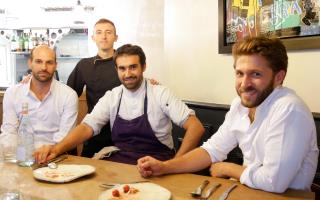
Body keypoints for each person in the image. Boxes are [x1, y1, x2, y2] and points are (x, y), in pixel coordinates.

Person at [137, 36, 319, 193]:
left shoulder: (289, 109)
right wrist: (164, 167)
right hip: (248, 192)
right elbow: (212, 150)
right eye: (240, 73)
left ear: (278, 77)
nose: (244, 83)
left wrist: (228, 168)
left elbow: (274, 182)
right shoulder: (239, 106)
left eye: (255, 74)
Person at [34, 44, 205, 165]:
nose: (128, 73)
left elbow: (196, 128)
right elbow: (87, 127)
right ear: (116, 70)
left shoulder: (160, 93)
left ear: (143, 67)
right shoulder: (112, 97)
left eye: (133, 67)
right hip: (121, 162)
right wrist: (56, 149)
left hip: (158, 162)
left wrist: (174, 165)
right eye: (122, 68)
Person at [0, 45, 78, 148]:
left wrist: (48, 153)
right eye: (38, 61)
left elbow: (65, 138)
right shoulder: (13, 93)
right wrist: (13, 157)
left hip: (56, 156)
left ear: (55, 65)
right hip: (22, 156)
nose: (44, 68)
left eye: (49, 62)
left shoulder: (68, 95)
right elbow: (9, 133)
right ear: (30, 63)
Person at [67, 18, 121, 157]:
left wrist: (151, 83)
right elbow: (67, 94)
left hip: (123, 133)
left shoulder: (124, 63)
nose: (104, 36)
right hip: (94, 132)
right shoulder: (84, 65)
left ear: (115, 37)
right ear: (93, 37)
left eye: (108, 32)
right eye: (99, 32)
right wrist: (30, 79)